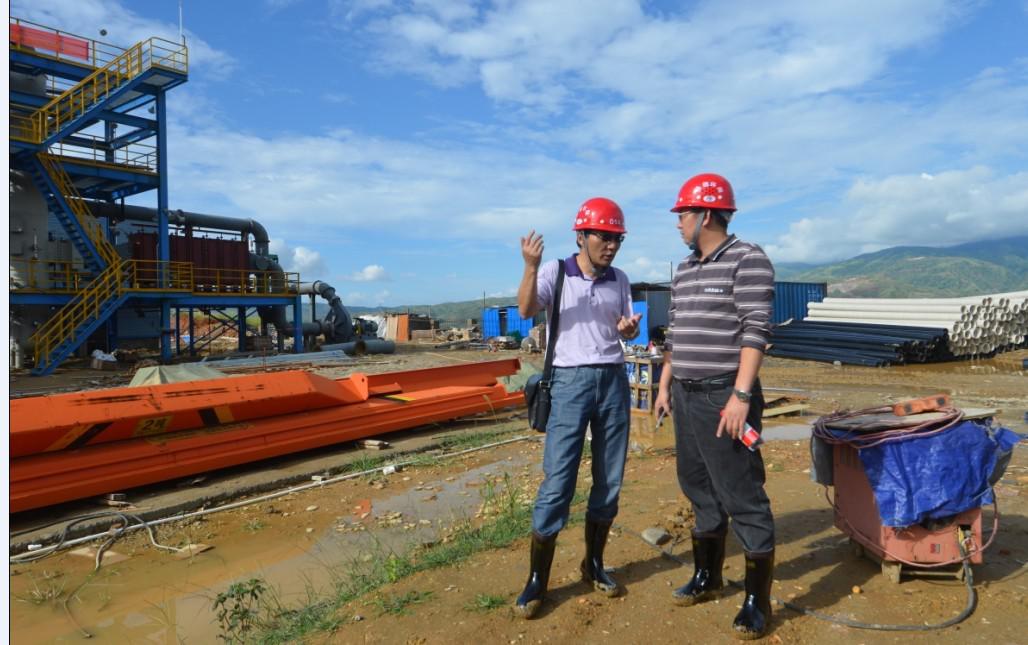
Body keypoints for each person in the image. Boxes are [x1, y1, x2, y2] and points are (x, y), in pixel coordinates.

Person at [653, 173, 776, 640]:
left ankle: (757, 601)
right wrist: (664, 386)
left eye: (682, 214)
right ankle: (708, 576)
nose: (678, 223)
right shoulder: (685, 269)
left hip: (724, 396)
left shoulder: (748, 259)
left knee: (741, 493)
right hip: (685, 396)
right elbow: (676, 333)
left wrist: (741, 396)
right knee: (697, 485)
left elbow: (756, 330)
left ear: (705, 215)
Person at [514, 197, 642, 619]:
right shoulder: (556, 272)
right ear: (581, 236)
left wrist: (627, 330)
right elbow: (526, 310)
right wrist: (530, 267)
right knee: (558, 482)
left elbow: (623, 328)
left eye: (617, 239)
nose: (611, 246)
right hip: (569, 383)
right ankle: (538, 580)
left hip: (613, 379)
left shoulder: (620, 279)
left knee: (610, 479)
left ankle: (594, 564)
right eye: (604, 237)